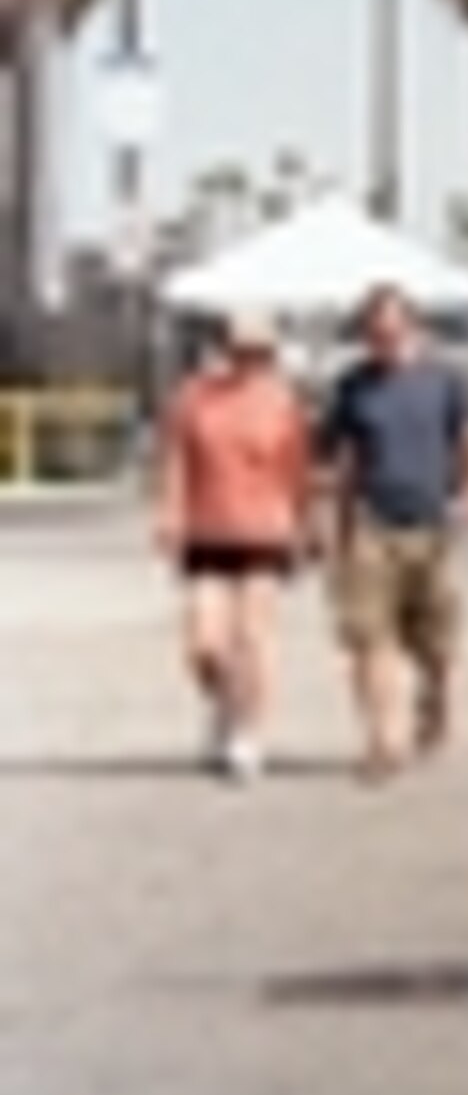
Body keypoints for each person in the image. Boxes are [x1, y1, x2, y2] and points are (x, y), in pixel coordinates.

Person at [316, 286, 468, 784]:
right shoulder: (353, 387)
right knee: (369, 637)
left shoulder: (445, 381)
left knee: (435, 645)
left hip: (432, 525)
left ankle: (434, 698)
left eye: (392, 330)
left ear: (413, 328)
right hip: (372, 524)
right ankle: (381, 740)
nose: (384, 340)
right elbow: (337, 459)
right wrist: (327, 519)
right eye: (374, 333)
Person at [152, 310, 316, 782]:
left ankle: (248, 733)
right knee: (203, 644)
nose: (250, 361)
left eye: (260, 353)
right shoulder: (194, 398)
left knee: (253, 638)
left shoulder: (284, 403)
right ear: (223, 349)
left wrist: (307, 526)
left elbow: (298, 470)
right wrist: (170, 513)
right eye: (240, 350)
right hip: (207, 529)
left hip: (265, 529)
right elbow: (176, 461)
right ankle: (224, 702)